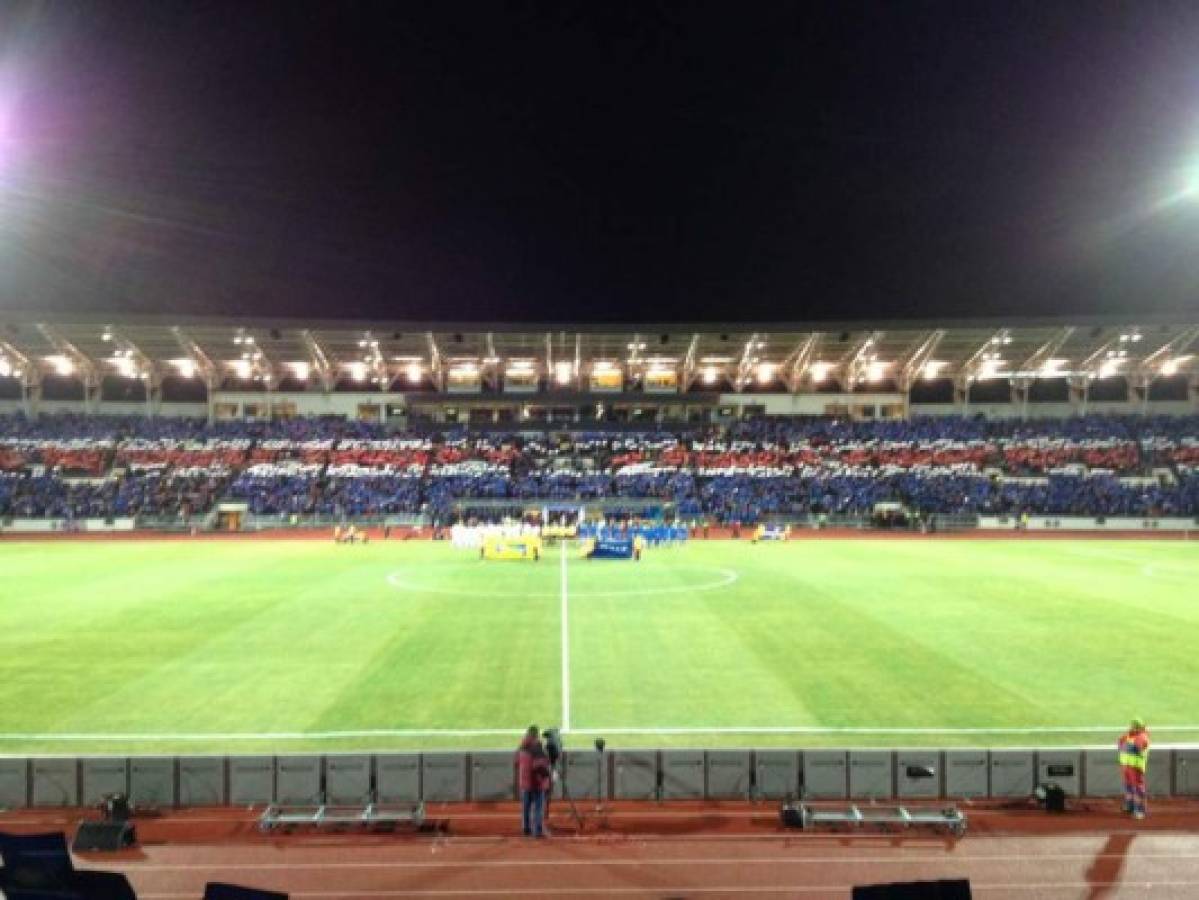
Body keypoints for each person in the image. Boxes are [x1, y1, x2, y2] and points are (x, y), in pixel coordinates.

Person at [515, 725, 552, 837]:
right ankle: (538, 830)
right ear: (536, 735)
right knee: (538, 808)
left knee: (526, 807)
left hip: (524, 782)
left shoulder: (521, 747)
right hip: (536, 783)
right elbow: (539, 767)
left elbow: (516, 762)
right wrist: (548, 775)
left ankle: (526, 828)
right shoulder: (537, 748)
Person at [1118, 717, 1151, 819]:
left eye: (1134, 726)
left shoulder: (1142, 737)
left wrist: (1129, 744)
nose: (1131, 728)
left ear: (1139, 727)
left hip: (1136, 767)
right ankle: (1130, 805)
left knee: (1137, 788)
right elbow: (1120, 743)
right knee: (1128, 786)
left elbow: (1139, 749)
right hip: (1126, 766)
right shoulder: (1129, 735)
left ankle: (1140, 810)